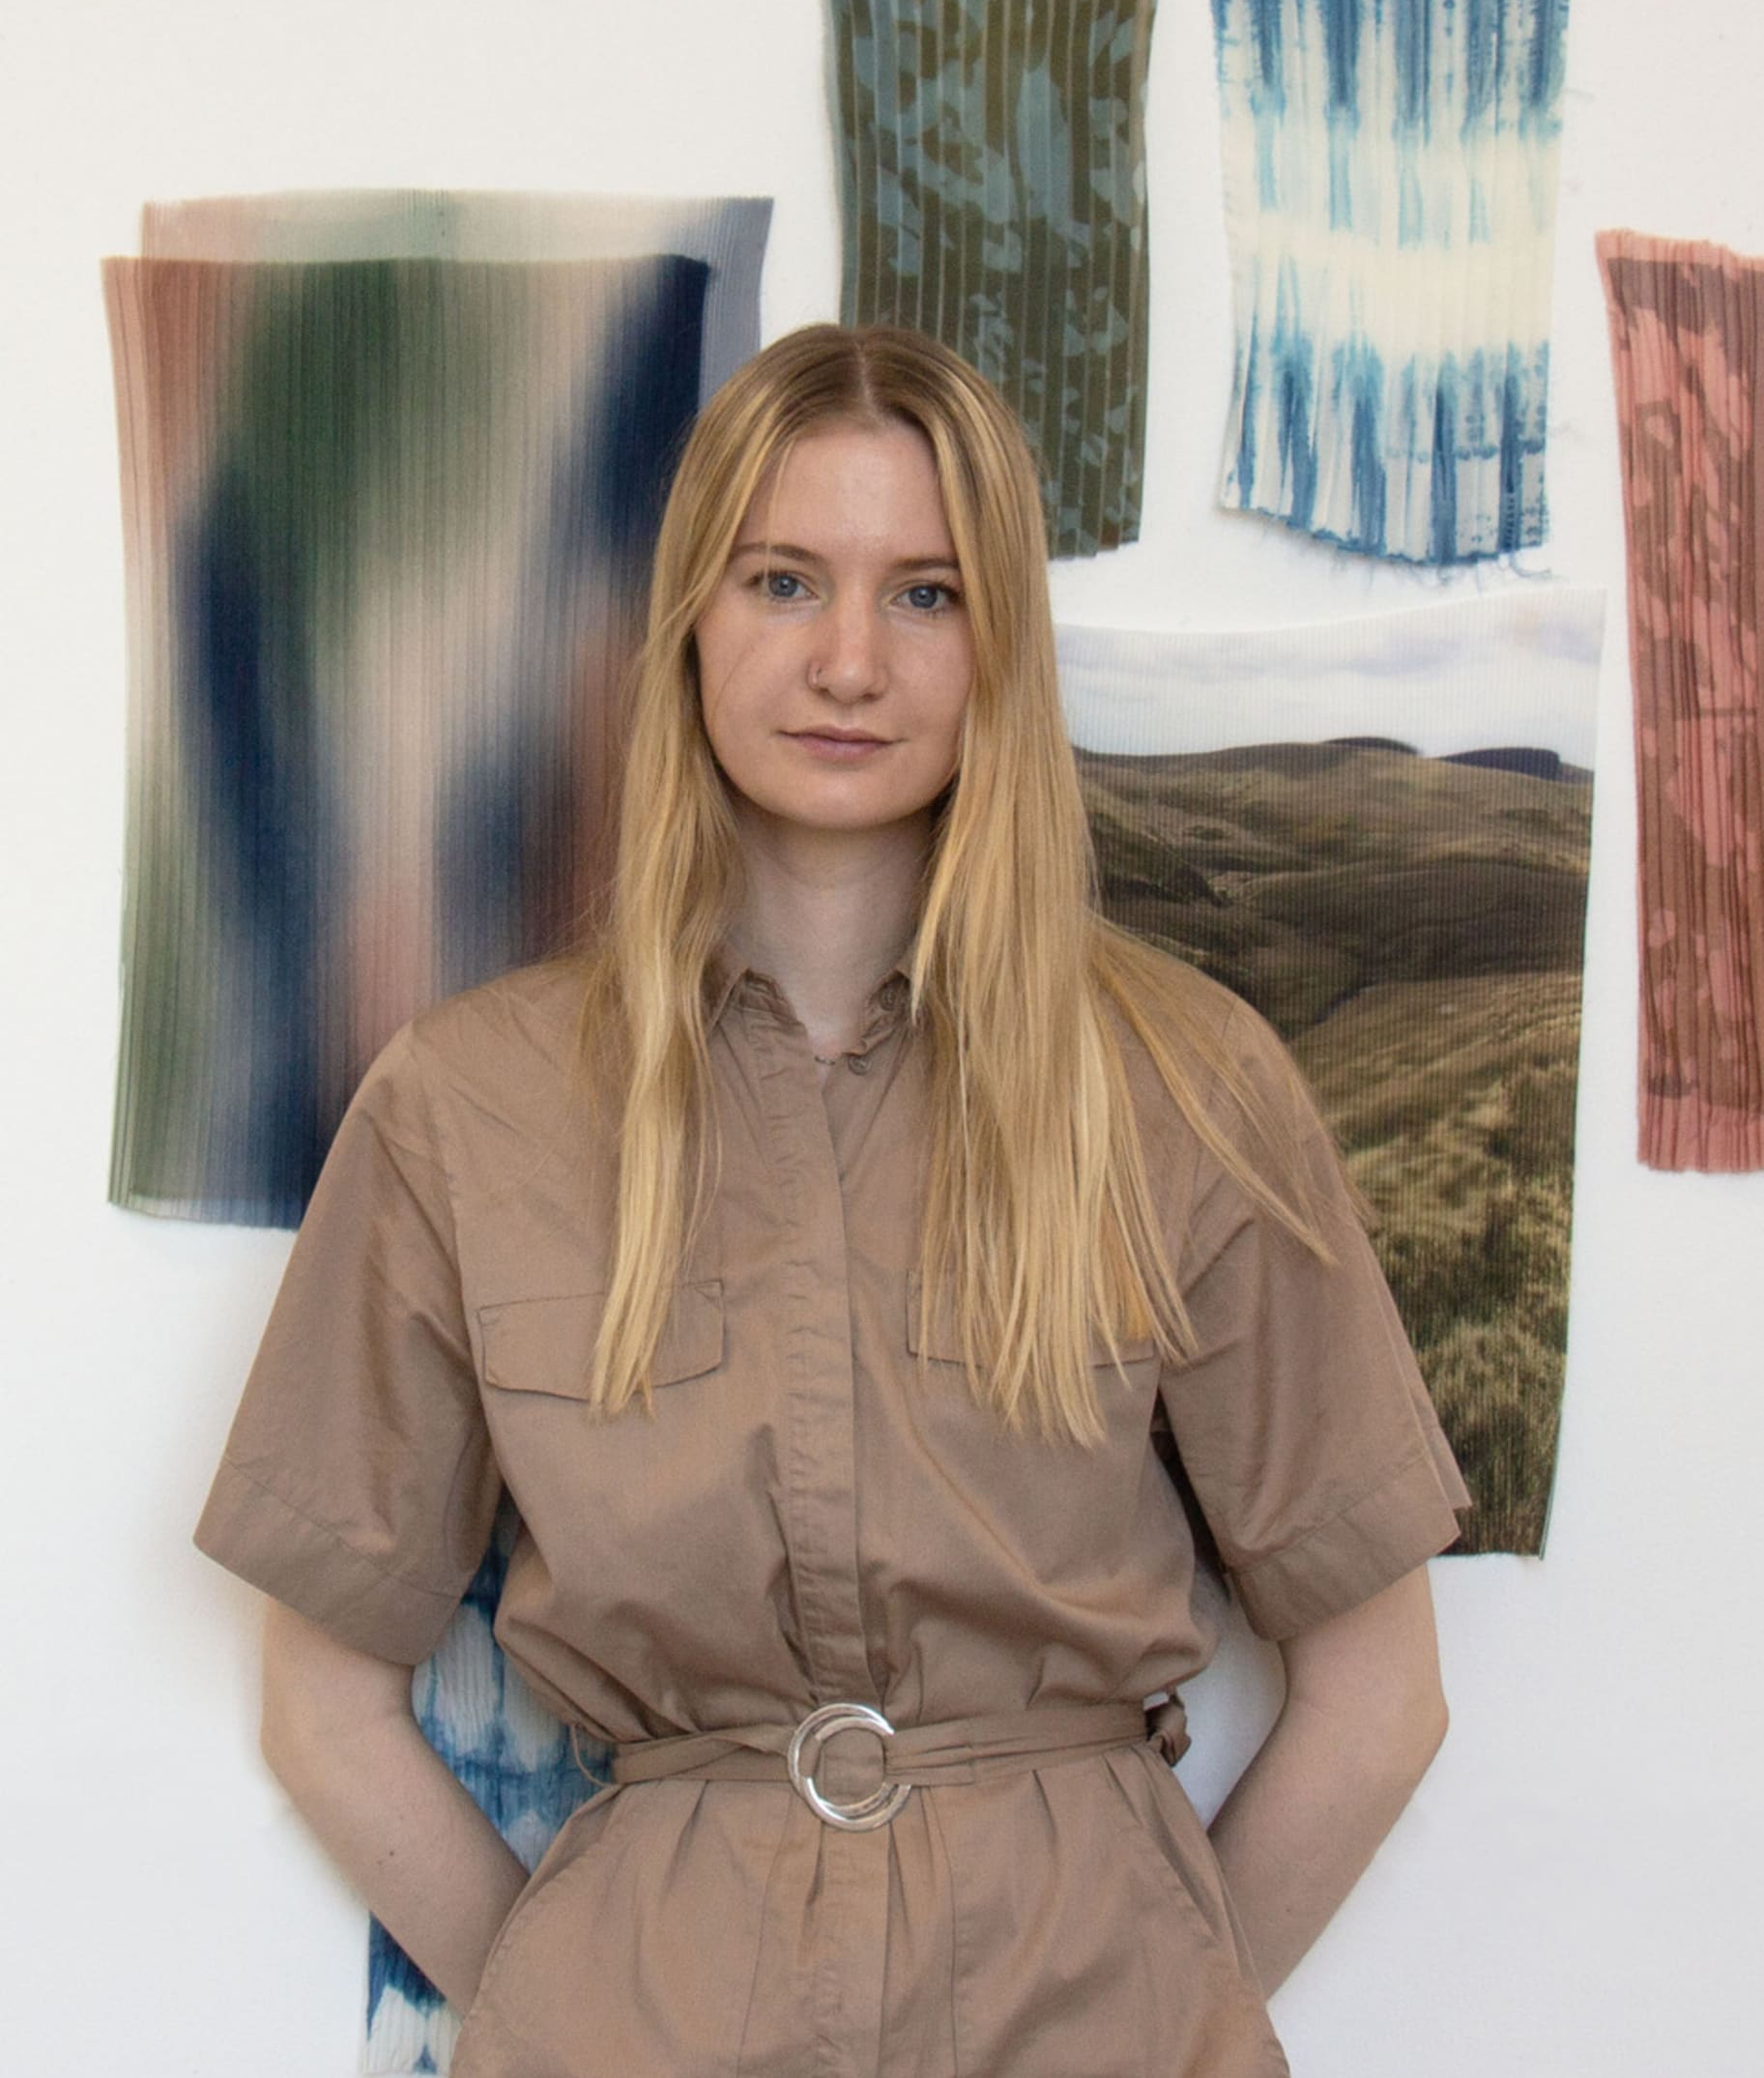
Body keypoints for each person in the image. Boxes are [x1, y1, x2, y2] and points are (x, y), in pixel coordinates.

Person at [195, 323, 1467, 2076]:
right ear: (693, 623)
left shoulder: (1187, 1088)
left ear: (998, 645)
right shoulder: (464, 1110)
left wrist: (1164, 2002)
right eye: (783, 580)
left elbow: (1379, 1695)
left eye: (927, 594)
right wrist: (564, 2009)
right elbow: (321, 1700)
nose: (848, 660)